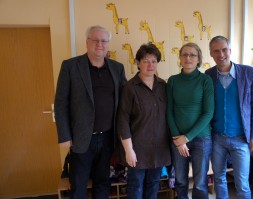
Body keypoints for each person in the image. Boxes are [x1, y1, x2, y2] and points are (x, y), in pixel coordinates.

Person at [54, 25, 127, 199]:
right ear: (87, 42)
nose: (99, 44)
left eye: (104, 41)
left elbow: (125, 101)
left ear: (108, 44)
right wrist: (64, 135)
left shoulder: (117, 68)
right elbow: (60, 102)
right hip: (80, 137)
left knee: (103, 183)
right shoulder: (70, 66)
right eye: (95, 40)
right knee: (78, 184)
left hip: (108, 138)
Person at [205, 35, 253, 199]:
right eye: (216, 51)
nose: (221, 54)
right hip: (217, 138)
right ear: (211, 54)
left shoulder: (248, 72)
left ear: (230, 50)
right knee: (219, 178)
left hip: (241, 139)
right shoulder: (208, 75)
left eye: (224, 50)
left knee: (242, 184)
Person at [117, 43, 171, 199]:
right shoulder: (129, 87)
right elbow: (123, 120)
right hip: (137, 148)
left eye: (154, 61)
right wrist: (129, 150)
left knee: (154, 183)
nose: (150, 65)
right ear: (138, 63)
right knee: (135, 186)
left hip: (159, 148)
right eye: (146, 60)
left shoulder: (163, 85)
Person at [167, 42, 214, 199]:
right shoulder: (172, 81)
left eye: (192, 55)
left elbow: (208, 113)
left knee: (200, 182)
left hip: (201, 138)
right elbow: (169, 110)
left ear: (198, 58)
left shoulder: (205, 80)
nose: (188, 58)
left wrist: (187, 138)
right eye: (184, 54)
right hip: (177, 139)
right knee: (180, 180)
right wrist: (177, 138)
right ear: (180, 58)